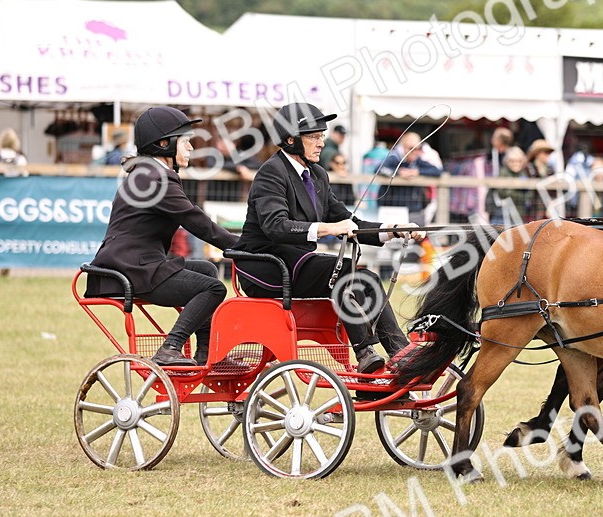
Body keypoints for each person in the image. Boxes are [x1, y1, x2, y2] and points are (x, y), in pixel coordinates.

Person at [231, 102, 424, 374]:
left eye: (322, 135)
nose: (321, 142)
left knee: (366, 277)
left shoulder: (318, 174)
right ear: (291, 140)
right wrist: (327, 228)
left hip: (298, 263)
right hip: (266, 267)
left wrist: (393, 229)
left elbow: (348, 221)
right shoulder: (271, 172)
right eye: (314, 136)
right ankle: (365, 351)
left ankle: (399, 351)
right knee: (342, 268)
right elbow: (276, 226)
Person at [85, 106, 239, 367]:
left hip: (135, 263)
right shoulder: (155, 179)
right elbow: (196, 221)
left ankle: (206, 353)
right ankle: (170, 348)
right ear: (164, 144)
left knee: (208, 270)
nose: (191, 148)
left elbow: (195, 219)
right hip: (132, 268)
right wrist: (243, 247)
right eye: (186, 141)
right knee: (213, 287)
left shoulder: (149, 173)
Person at [489, 146, 529, 225]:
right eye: (512, 161)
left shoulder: (523, 173)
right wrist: (520, 193)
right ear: (507, 161)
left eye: (519, 161)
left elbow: (528, 192)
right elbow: (502, 193)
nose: (516, 163)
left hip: (520, 213)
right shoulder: (503, 172)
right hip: (503, 215)